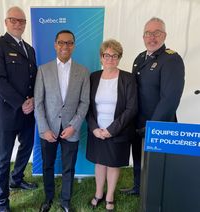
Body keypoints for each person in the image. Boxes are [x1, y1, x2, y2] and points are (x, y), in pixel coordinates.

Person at [120, 17, 185, 196]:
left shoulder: (171, 59)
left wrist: (153, 126)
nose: (152, 37)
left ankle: (156, 193)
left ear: (164, 35)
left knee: (157, 163)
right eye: (148, 33)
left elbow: (170, 98)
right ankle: (138, 187)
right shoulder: (140, 58)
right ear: (143, 36)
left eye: (157, 33)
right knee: (139, 156)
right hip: (137, 120)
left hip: (158, 123)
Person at [0, 6, 38, 212]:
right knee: (3, 156)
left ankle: (16, 179)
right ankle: (1, 201)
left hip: (29, 110)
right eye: (13, 20)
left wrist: (33, 99)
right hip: (9, 111)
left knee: (26, 147)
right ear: (6, 22)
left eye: (22, 21)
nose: (18, 24)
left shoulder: (29, 49)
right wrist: (21, 103)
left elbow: (33, 79)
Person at [34, 30, 90, 212]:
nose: (65, 46)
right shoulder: (43, 70)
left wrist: (74, 125)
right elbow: (38, 102)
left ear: (73, 45)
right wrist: (44, 128)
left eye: (69, 43)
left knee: (69, 167)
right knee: (48, 165)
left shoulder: (83, 71)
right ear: (55, 44)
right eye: (61, 42)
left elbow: (84, 102)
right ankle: (48, 198)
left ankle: (65, 201)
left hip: (70, 130)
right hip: (48, 129)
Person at [86, 39, 137, 211]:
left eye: (115, 56)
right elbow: (87, 106)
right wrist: (94, 129)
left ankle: (110, 196)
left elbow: (131, 108)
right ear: (101, 57)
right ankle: (99, 193)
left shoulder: (128, 78)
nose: (110, 59)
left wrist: (111, 130)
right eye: (107, 55)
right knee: (100, 163)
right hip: (97, 131)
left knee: (113, 164)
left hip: (118, 130)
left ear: (119, 58)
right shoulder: (93, 77)